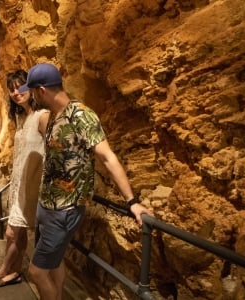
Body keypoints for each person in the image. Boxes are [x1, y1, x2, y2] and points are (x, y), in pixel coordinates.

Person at [18, 62, 153, 300]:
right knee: (55, 261)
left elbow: (107, 157)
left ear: (41, 90)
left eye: (33, 91)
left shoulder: (82, 115)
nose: (31, 95)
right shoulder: (50, 118)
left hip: (65, 210)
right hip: (47, 205)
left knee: (36, 271)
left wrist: (132, 201)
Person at [0, 70, 49, 287]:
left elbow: (54, 147)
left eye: (21, 86)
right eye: (12, 89)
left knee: (11, 233)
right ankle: (14, 272)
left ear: (31, 86)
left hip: (33, 184)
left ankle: (3, 270)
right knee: (18, 233)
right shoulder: (21, 117)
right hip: (20, 184)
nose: (17, 92)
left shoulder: (42, 115)